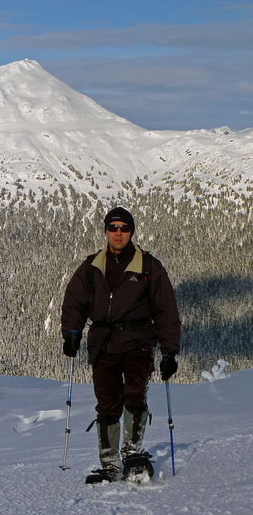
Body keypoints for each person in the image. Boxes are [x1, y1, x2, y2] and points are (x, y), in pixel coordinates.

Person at [61, 206, 181, 483]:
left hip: (139, 340)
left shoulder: (149, 266)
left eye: (124, 228)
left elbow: (166, 310)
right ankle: (109, 463)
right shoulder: (91, 267)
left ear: (131, 232)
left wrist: (169, 351)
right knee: (107, 401)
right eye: (113, 228)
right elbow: (74, 303)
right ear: (105, 231)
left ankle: (131, 451)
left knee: (135, 391)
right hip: (103, 343)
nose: (118, 233)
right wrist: (72, 333)